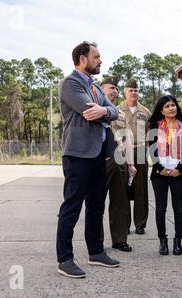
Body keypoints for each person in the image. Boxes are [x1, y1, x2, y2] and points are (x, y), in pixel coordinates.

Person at [56, 41, 120, 279]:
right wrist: (104, 113)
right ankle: (64, 259)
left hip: (98, 155)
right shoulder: (71, 83)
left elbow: (115, 111)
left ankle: (96, 252)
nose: (100, 60)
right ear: (83, 58)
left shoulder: (94, 87)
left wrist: (105, 111)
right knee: (71, 207)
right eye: (97, 56)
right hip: (78, 155)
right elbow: (87, 111)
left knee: (96, 206)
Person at [148, 95, 182, 256]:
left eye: (173, 105)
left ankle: (178, 240)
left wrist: (179, 168)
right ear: (161, 110)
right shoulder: (154, 126)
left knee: (178, 208)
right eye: (167, 106)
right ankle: (163, 241)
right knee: (161, 208)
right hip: (160, 173)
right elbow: (151, 149)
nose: (171, 108)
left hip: (179, 172)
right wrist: (160, 168)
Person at [101, 76, 136, 252]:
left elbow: (127, 139)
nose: (114, 91)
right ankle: (97, 241)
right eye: (110, 88)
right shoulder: (96, 108)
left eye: (116, 88)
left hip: (120, 159)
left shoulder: (121, 113)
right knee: (97, 201)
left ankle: (120, 239)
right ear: (101, 89)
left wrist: (130, 164)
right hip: (102, 160)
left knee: (120, 201)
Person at [118, 79, 151, 235]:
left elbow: (150, 134)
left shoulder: (145, 112)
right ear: (125, 92)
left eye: (136, 90)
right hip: (121, 151)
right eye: (131, 90)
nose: (134, 93)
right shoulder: (117, 110)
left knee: (140, 189)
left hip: (139, 149)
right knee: (122, 189)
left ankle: (140, 224)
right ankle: (124, 224)